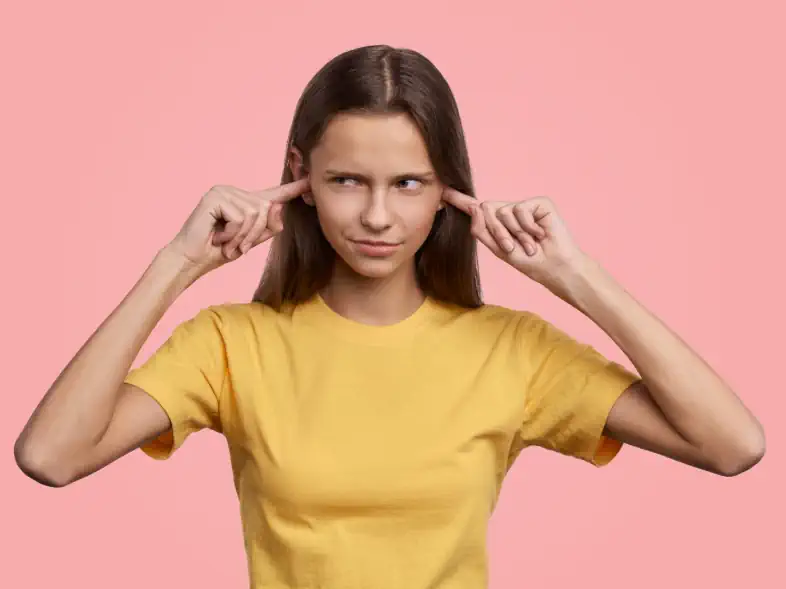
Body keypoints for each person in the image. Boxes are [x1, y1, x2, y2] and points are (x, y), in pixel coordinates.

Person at [15, 45, 765, 588]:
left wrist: (576, 275)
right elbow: (49, 456)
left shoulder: (512, 350)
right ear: (299, 176)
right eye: (346, 179)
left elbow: (732, 444)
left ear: (448, 189)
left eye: (409, 181)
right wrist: (176, 263)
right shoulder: (230, 344)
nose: (377, 215)